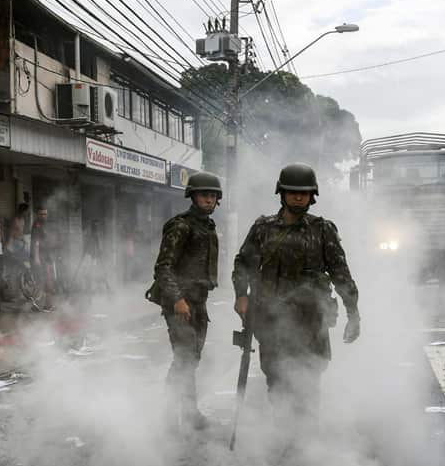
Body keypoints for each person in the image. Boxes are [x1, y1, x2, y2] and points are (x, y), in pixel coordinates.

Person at [232, 163, 360, 431]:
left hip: (311, 320)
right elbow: (243, 264)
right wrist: (241, 296)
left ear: (312, 195)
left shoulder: (323, 230)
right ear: (282, 193)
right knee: (277, 381)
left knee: (309, 381)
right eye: (293, 192)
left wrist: (353, 314)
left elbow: (341, 274)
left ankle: (306, 440)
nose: (299, 197)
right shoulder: (263, 228)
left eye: (304, 192)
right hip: (271, 319)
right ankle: (284, 434)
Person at [150, 172, 222, 430]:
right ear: (192, 195)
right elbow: (163, 267)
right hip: (179, 304)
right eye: (204, 194)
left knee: (192, 359)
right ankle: (170, 416)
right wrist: (177, 300)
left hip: (198, 303)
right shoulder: (181, 225)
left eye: (213, 195)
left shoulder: (207, 225)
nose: (209, 199)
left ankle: (190, 413)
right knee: (185, 360)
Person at [30, 207, 55, 312]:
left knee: (49, 281)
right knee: (43, 281)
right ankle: (37, 302)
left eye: (45, 214)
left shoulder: (45, 225)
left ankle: (48, 305)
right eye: (41, 214)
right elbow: (36, 242)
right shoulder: (37, 225)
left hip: (48, 257)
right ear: (37, 215)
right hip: (41, 257)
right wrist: (36, 258)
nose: (43, 216)